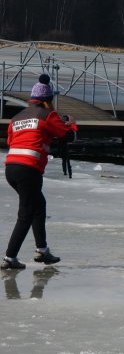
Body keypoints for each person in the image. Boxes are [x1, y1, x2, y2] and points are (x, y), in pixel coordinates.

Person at [2, 82, 76, 270]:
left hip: (11, 168)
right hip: (29, 168)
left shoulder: (16, 118)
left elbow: (12, 140)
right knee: (26, 213)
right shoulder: (48, 114)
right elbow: (67, 136)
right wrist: (72, 124)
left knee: (38, 205)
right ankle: (9, 258)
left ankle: (42, 250)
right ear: (48, 100)